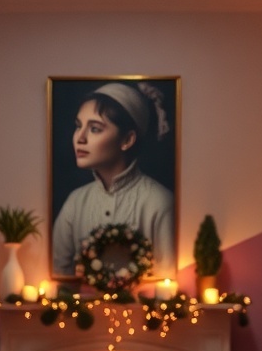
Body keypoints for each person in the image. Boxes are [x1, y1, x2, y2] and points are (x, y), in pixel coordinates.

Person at [52, 82, 175, 279]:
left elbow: (167, 280)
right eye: (78, 126)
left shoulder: (160, 202)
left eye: (95, 129)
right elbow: (58, 275)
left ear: (127, 140)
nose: (79, 138)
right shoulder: (75, 202)